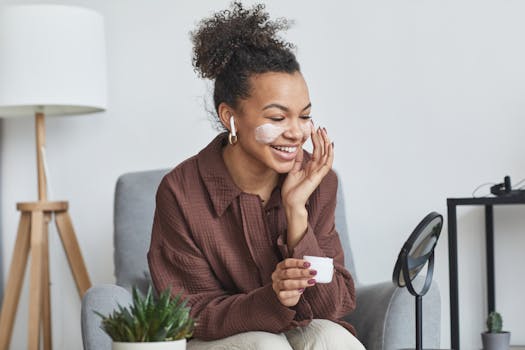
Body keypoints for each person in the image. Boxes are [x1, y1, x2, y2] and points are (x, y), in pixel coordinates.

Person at [148, 2, 365, 349]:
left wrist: (297, 215)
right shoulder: (180, 192)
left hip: (299, 327)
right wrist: (272, 298)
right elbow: (189, 312)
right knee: (266, 346)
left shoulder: (320, 182)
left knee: (332, 339)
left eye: (304, 116)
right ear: (230, 117)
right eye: (278, 118)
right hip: (214, 340)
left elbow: (332, 306)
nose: (297, 133)